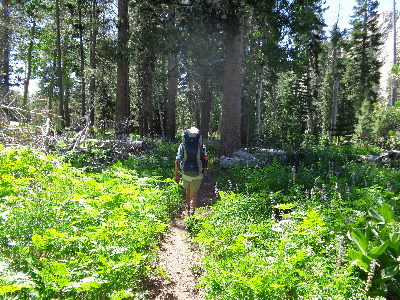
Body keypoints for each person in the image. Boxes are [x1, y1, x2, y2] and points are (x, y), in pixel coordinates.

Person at [174, 127, 208, 214]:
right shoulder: (201, 146)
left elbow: (177, 160)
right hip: (197, 174)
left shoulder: (182, 146)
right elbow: (205, 158)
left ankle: (188, 208)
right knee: (194, 194)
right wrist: (205, 169)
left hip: (185, 173)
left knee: (187, 191)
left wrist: (176, 175)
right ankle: (192, 213)